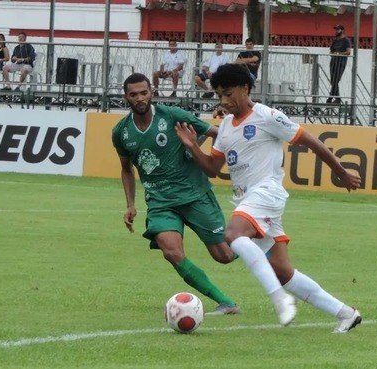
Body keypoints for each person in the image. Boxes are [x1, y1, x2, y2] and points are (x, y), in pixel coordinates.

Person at [174, 63, 363, 332]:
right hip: (247, 200)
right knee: (284, 272)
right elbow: (213, 169)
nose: (224, 101)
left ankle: (279, 299)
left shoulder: (267, 116)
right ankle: (346, 313)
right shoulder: (226, 126)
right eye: (219, 95)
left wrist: (341, 171)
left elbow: (311, 141)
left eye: (228, 94)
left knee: (233, 233)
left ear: (245, 89)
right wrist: (193, 146)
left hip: (267, 192)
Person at [111, 72, 239, 316]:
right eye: (133, 94)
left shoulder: (172, 116)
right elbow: (126, 169)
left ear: (152, 93)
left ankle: (255, 240)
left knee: (224, 255)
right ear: (126, 97)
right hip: (160, 202)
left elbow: (217, 133)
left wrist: (197, 150)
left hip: (194, 195)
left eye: (144, 93)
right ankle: (226, 303)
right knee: (171, 251)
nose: (140, 98)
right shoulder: (121, 132)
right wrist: (130, 204)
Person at [327, 24, 352, 104]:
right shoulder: (335, 40)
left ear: (342, 30)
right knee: (333, 81)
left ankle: (331, 98)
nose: (336, 31)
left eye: (338, 29)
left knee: (336, 80)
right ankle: (335, 98)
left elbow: (348, 52)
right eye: (336, 29)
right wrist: (333, 54)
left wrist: (339, 53)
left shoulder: (346, 40)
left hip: (341, 63)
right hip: (333, 62)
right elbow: (331, 51)